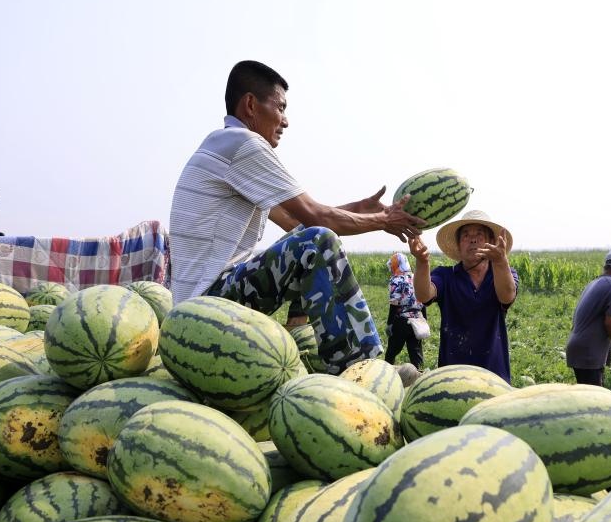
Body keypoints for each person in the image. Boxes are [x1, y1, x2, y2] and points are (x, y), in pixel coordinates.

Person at [168, 60, 424, 374]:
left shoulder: (225, 148)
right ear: (250, 105)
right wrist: (384, 221)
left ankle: (300, 348)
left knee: (307, 244)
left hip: (197, 308)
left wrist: (361, 209)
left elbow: (296, 223)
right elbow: (316, 221)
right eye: (281, 108)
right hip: (206, 306)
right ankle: (361, 368)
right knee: (316, 243)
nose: (286, 121)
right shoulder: (242, 143)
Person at [410, 210, 517, 383]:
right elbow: (423, 294)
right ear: (459, 246)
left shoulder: (504, 273)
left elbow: (507, 296)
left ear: (491, 242)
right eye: (466, 235)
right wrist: (422, 262)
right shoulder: (446, 276)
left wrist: (500, 261)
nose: (473, 239)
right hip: (452, 379)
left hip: (495, 377)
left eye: (479, 235)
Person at [565, 249, 611, 387]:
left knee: (589, 396)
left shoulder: (594, 282)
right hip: (588, 351)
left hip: (579, 347)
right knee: (592, 401)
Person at [384, 253, 425, 370]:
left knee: (391, 353)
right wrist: (424, 319)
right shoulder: (416, 277)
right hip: (416, 321)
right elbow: (423, 298)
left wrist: (390, 323)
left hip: (401, 321)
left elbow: (394, 304)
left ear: (396, 265)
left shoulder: (396, 280)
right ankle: (420, 378)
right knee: (416, 354)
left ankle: (386, 375)